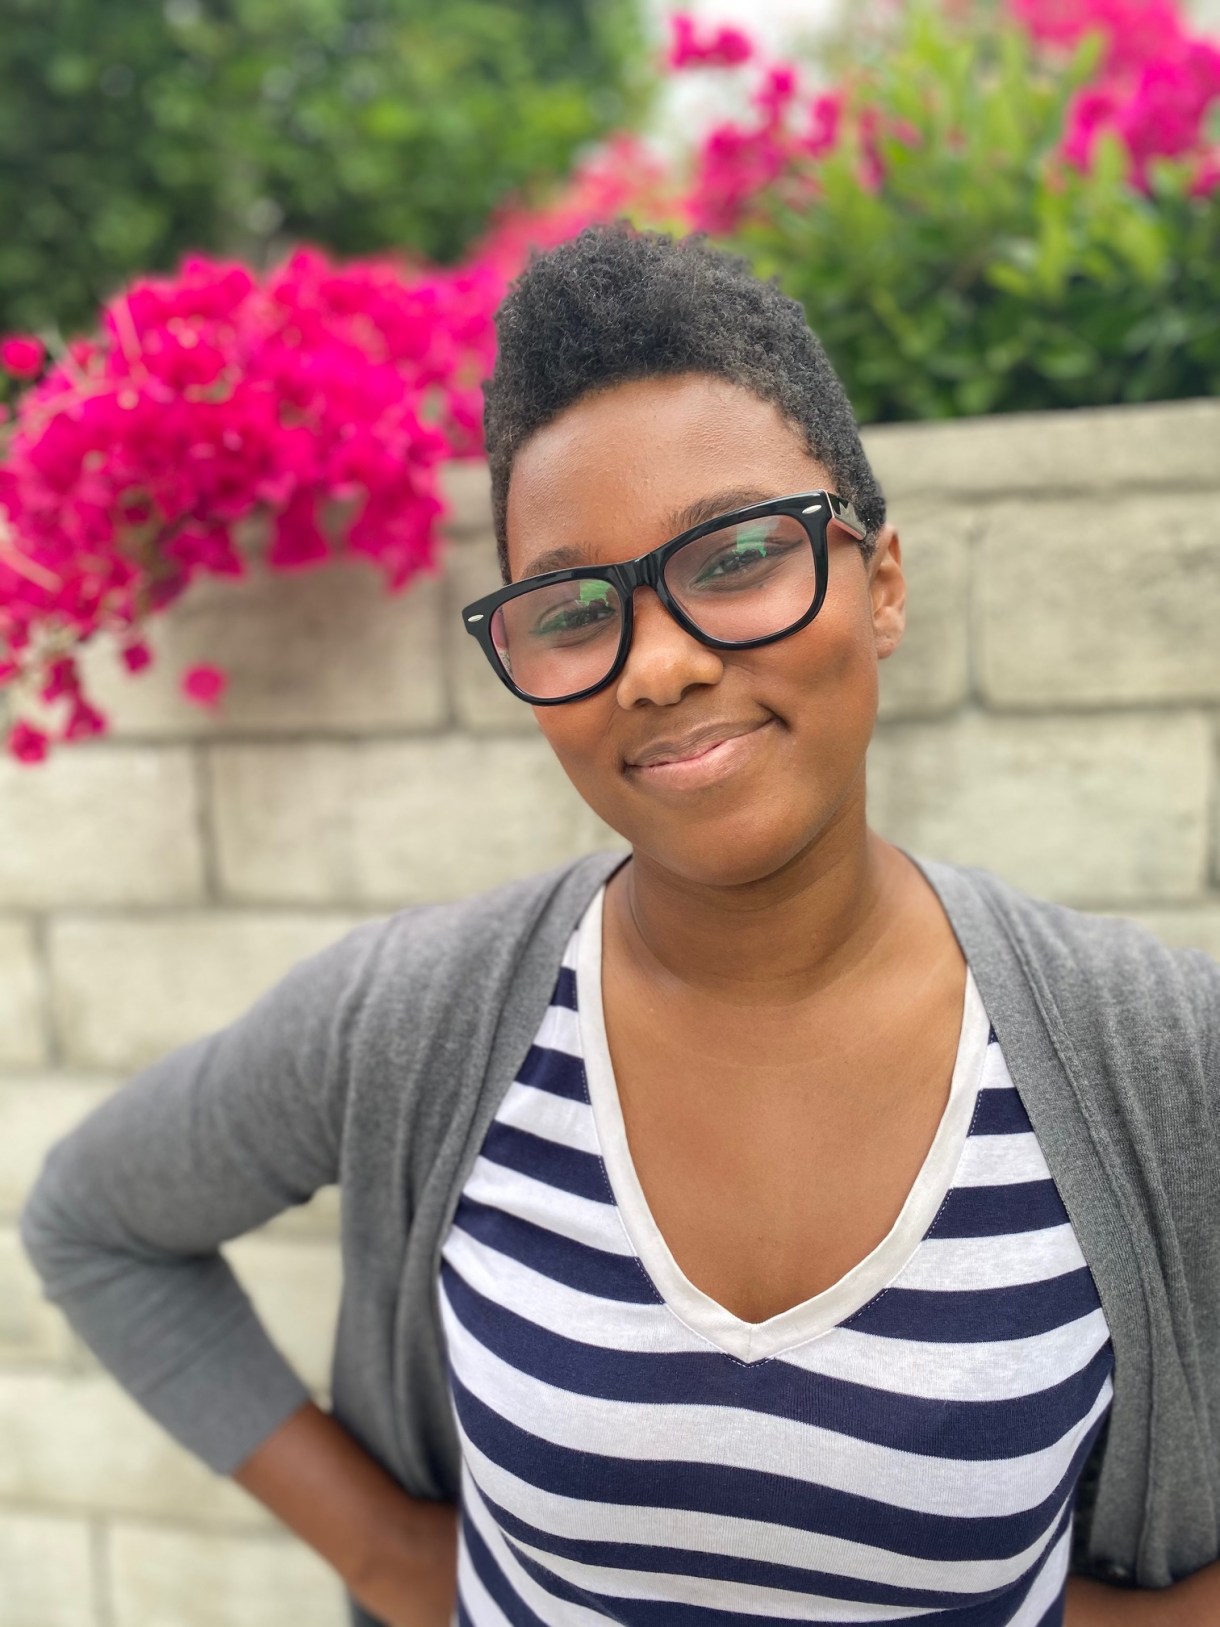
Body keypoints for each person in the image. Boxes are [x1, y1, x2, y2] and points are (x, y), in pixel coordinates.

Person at [20, 224, 1220, 1627]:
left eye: (735, 557)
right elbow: (94, 1222)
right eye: (576, 607)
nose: (656, 664)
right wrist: (393, 1558)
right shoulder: (420, 1021)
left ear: (880, 583)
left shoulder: (1154, 1054)